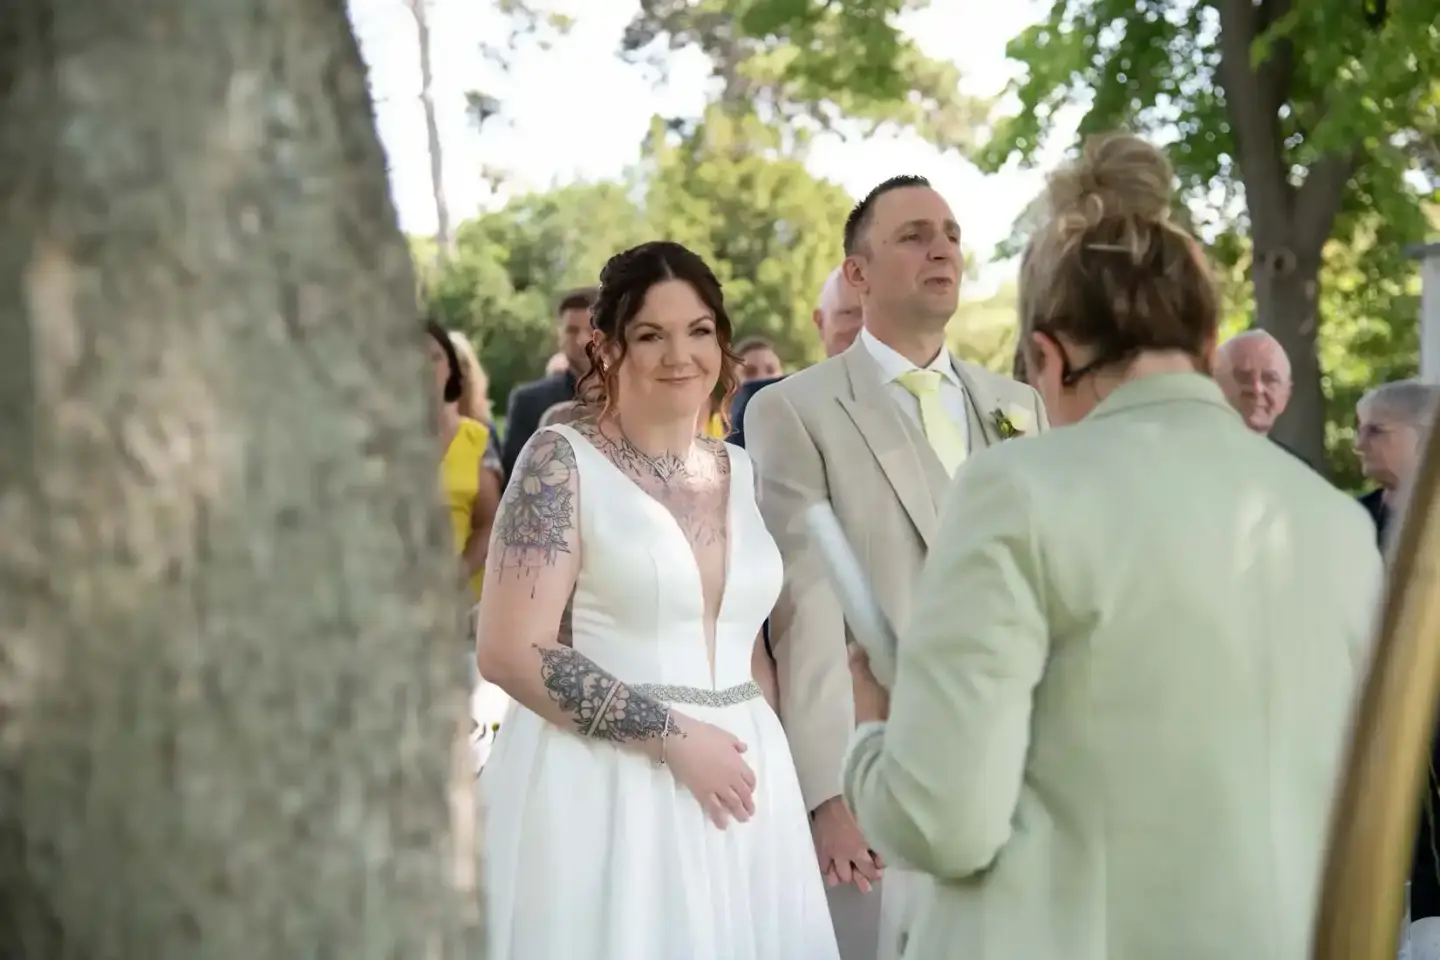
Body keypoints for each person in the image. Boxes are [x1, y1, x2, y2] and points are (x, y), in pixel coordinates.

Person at [841, 133, 1382, 960]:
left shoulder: (1016, 490)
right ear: (1206, 347)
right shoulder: (1337, 525)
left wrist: (871, 739)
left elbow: (941, 822)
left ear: (1047, 357)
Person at [476, 240, 839, 960]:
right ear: (608, 349)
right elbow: (510, 650)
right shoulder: (561, 461)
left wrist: (802, 791)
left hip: (746, 789)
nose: (681, 355)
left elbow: (752, 650)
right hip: (610, 786)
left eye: (699, 330)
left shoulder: (739, 469)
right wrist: (674, 740)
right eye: (652, 334)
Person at [745, 175, 1046, 960]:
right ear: (858, 273)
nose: (941, 246)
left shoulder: (1019, 404)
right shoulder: (793, 408)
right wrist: (826, 789)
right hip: (886, 770)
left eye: (949, 232)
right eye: (913, 235)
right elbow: (804, 608)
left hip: (1028, 767)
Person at [729, 266, 863, 449]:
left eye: (874, 314)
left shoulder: (910, 393)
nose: (863, 325)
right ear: (820, 322)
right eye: (849, 313)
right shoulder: (769, 406)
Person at [499, 288, 597, 480]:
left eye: (592, 329)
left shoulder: (637, 398)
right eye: (572, 330)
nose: (582, 340)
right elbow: (515, 480)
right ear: (559, 336)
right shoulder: (529, 402)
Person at [1355, 378, 1439, 547]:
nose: (1359, 444)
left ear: (1428, 437)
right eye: (1360, 431)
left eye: (1375, 431)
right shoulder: (1354, 518)